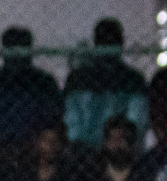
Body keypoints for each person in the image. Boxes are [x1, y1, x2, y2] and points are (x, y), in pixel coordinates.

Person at [63, 18, 148, 149]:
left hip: (121, 152)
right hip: (85, 153)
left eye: (112, 41)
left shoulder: (133, 80)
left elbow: (136, 125)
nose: (109, 46)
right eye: (105, 41)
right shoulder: (79, 79)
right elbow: (72, 126)